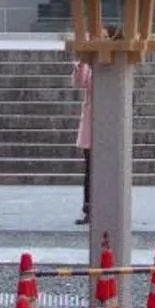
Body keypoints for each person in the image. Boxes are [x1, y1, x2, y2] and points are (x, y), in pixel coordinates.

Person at [73, 55, 93, 224]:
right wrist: (81, 61)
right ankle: (89, 207)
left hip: (110, 121)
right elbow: (80, 82)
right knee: (91, 167)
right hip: (92, 121)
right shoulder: (90, 62)